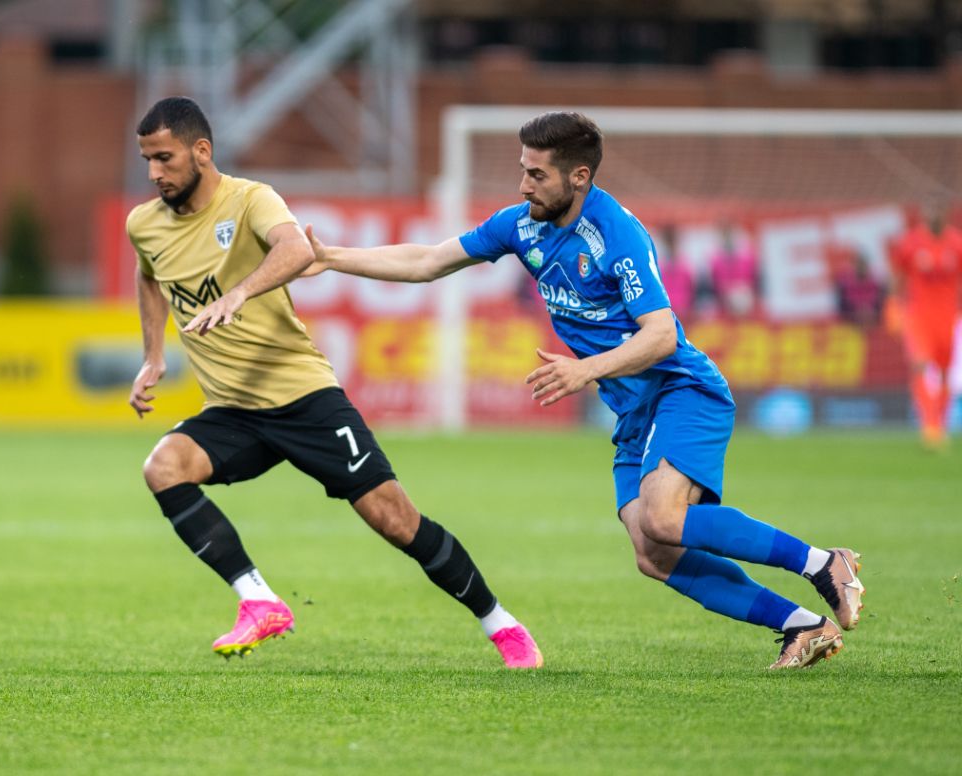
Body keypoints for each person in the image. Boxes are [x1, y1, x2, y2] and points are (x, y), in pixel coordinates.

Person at [302, 111, 865, 669]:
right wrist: (330, 258)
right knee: (653, 553)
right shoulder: (520, 224)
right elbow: (427, 261)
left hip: (681, 390)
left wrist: (586, 369)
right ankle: (801, 626)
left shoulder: (614, 232)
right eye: (522, 170)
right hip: (632, 410)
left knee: (663, 518)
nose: (524, 185)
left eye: (537, 174)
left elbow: (663, 335)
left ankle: (822, 562)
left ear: (579, 177)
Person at [125, 96, 542, 668]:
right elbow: (148, 275)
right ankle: (260, 601)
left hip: (303, 398)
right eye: (147, 160)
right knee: (163, 467)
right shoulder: (144, 223)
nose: (154, 173)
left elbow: (296, 248)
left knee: (395, 519)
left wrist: (241, 291)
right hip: (233, 410)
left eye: (165, 158)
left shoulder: (249, 199)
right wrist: (153, 357)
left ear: (202, 151)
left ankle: (503, 626)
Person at [887, 203, 962, 450]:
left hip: (949, 317)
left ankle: (940, 423)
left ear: (946, 215)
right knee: (920, 365)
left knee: (944, 373)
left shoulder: (956, 243)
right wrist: (893, 304)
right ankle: (929, 425)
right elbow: (897, 274)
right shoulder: (911, 243)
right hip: (919, 316)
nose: (934, 217)